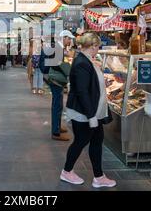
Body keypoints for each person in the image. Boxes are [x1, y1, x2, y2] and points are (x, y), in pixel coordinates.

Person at [60, 33, 116, 188]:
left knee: (97, 140)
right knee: (80, 141)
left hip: (92, 111)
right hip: (84, 113)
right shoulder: (81, 63)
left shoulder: (86, 61)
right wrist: (91, 116)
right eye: (97, 47)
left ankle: (99, 176)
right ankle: (67, 171)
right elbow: (82, 91)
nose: (98, 50)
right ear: (92, 46)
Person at [44, 30, 75, 141]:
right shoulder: (58, 48)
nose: (70, 41)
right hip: (56, 80)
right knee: (57, 105)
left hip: (55, 80)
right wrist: (68, 69)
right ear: (64, 38)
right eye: (69, 39)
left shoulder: (58, 47)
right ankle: (56, 132)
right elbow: (56, 64)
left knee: (58, 105)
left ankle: (57, 126)